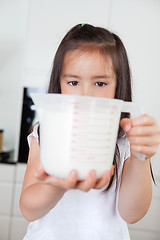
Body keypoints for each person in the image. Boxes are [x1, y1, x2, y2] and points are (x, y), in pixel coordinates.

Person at [20, 23, 160, 240]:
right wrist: (58, 185)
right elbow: (29, 210)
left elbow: (132, 214)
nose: (85, 96)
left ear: (118, 86)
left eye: (100, 83)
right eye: (74, 82)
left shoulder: (125, 140)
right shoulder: (45, 135)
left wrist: (141, 156)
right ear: (60, 84)